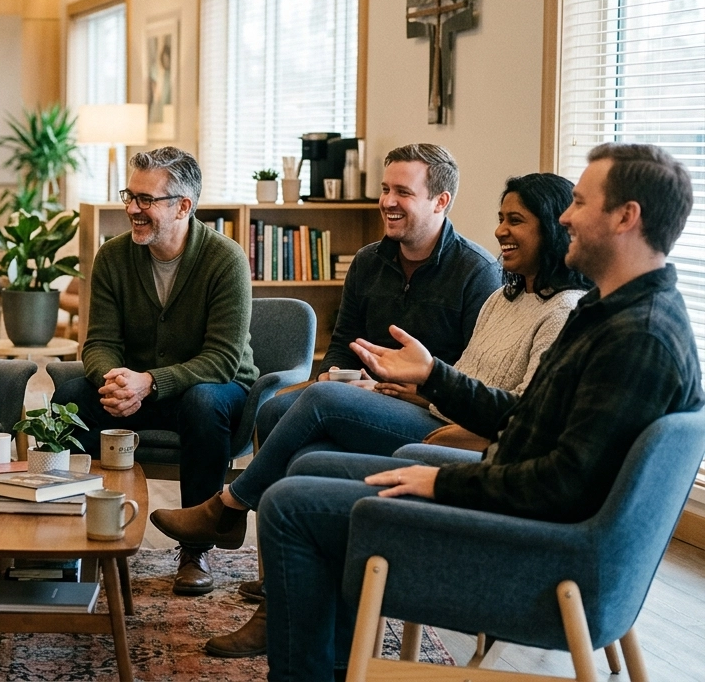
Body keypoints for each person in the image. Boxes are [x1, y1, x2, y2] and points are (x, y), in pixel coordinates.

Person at [259, 143, 703, 681]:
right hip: (513, 509)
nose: (565, 216)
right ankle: (333, 666)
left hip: (531, 557)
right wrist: (433, 375)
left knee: (289, 505)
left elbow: (564, 484)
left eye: (580, 202)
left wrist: (443, 484)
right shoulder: (610, 312)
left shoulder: (639, 339)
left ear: (626, 217)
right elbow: (524, 416)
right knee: (307, 469)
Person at [149, 172, 592, 657]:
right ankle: (282, 598)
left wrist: (429, 384)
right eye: (500, 218)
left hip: (458, 441)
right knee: (301, 442)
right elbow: (464, 379)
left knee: (322, 403)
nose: (502, 230)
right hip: (430, 414)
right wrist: (411, 389)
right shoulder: (505, 298)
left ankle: (228, 507)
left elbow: (524, 416)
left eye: (517, 220)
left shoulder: (560, 309)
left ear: (553, 227)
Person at [52, 146, 257, 595]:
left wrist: (149, 382)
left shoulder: (226, 259)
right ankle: (73, 535)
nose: (131, 209)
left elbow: (221, 359)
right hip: (136, 391)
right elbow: (100, 343)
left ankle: (195, 547)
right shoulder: (112, 257)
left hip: (215, 392)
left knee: (204, 401)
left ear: (184, 206)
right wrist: (116, 379)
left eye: (146, 200)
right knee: (70, 397)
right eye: (130, 195)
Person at [251, 144, 502, 446]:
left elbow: (477, 375)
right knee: (273, 410)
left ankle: (237, 496)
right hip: (360, 392)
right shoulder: (367, 261)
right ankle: (281, 493)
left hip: (428, 408)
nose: (387, 202)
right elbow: (344, 341)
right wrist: (333, 374)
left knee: (318, 408)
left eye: (403, 192)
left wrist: (420, 390)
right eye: (385, 189)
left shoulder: (477, 272)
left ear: (440, 201)